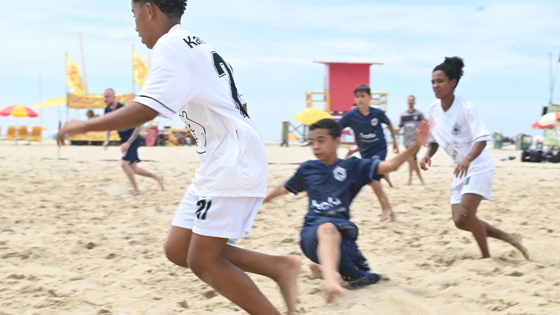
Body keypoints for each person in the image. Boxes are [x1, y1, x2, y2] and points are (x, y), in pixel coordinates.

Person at [57, 1, 300, 314]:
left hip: (231, 161)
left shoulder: (171, 45)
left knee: (203, 261)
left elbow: (146, 108)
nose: (134, 26)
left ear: (149, 10)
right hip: (221, 158)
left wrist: (83, 125)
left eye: (133, 15)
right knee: (178, 249)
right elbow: (240, 105)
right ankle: (279, 267)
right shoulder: (196, 43)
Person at [264, 118, 429, 302]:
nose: (316, 146)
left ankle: (320, 269)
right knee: (327, 228)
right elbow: (284, 187)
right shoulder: (307, 168)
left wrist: (417, 144)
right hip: (311, 235)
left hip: (342, 237)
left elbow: (391, 166)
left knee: (360, 279)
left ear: (337, 140)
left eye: (321, 140)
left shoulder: (353, 166)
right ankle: (330, 282)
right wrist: (264, 199)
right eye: (312, 142)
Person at [420, 56, 529, 260]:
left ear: (453, 82)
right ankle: (510, 237)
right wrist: (427, 155)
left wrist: (468, 159)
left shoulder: (467, 107)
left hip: (478, 165)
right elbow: (434, 139)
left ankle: (486, 258)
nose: (435, 86)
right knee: (459, 221)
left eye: (440, 81)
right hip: (460, 169)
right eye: (433, 82)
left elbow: (482, 139)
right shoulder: (432, 109)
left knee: (466, 214)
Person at [338, 84, 399, 222]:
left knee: (372, 177)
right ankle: (390, 210)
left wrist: (395, 141)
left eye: (363, 96)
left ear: (369, 97)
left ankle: (385, 207)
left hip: (379, 150)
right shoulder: (351, 116)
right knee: (372, 179)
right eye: (357, 97)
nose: (360, 99)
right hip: (365, 153)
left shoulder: (377, 113)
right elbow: (336, 128)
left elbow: (389, 123)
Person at [102, 88, 164, 194]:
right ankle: (157, 177)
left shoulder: (123, 109)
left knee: (123, 164)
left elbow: (138, 126)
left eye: (107, 97)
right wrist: (106, 140)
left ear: (114, 97)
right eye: (104, 97)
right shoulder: (107, 110)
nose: (105, 99)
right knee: (134, 168)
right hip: (125, 140)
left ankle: (136, 189)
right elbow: (108, 125)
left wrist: (128, 142)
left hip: (132, 139)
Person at [394, 95, 425, 185]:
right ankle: (420, 180)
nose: (410, 102)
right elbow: (400, 126)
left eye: (412, 100)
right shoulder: (403, 115)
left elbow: (424, 125)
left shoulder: (419, 114)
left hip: (415, 141)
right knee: (413, 160)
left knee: (411, 158)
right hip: (406, 142)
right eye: (409, 100)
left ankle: (410, 180)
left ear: (414, 102)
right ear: (407, 102)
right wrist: (396, 130)